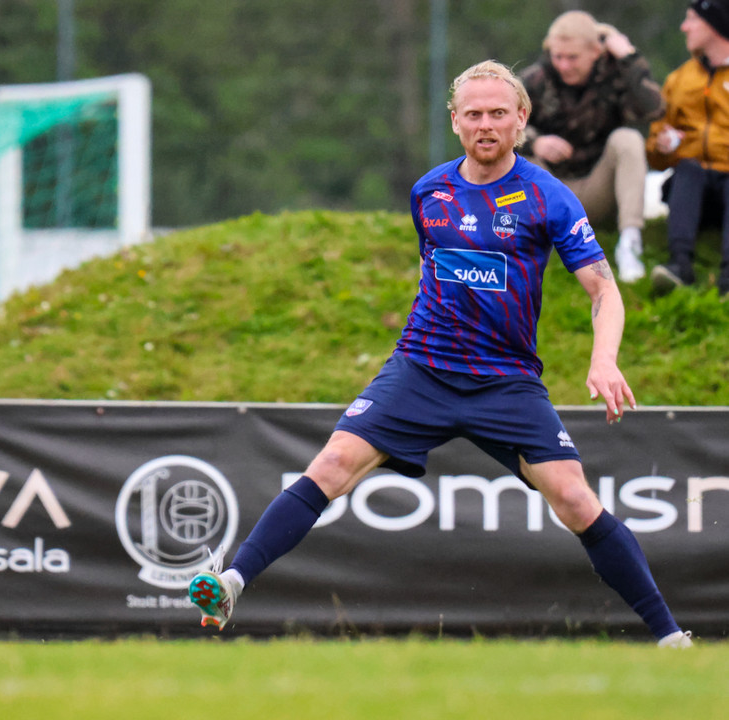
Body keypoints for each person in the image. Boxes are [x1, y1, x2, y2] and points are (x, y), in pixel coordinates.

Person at [188, 60, 692, 648]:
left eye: (498, 113)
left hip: (505, 381)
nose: (486, 125)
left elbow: (604, 290)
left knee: (576, 501)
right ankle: (232, 583)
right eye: (473, 114)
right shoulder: (429, 191)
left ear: (522, 118)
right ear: (454, 121)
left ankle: (670, 638)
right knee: (331, 464)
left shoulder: (547, 196)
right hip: (421, 368)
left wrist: (603, 359)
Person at [519, 11, 665, 284]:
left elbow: (654, 109)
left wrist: (629, 57)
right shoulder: (536, 80)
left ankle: (630, 243)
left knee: (628, 139)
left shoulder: (616, 76)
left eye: (573, 57)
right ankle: (521, 244)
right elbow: (501, 128)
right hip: (552, 191)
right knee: (518, 157)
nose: (564, 65)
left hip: (598, 189)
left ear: (596, 52)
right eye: (558, 56)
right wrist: (536, 142)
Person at [647, 0, 729, 297]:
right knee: (688, 169)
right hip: (694, 192)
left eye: (692, 19)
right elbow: (654, 155)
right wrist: (662, 146)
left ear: (714, 25)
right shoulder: (679, 79)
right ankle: (679, 266)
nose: (684, 27)